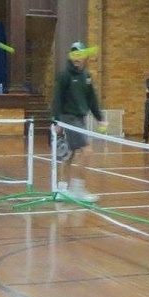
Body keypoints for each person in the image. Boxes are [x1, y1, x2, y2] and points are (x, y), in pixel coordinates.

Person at [52, 41, 107, 202]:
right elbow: (57, 99)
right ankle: (78, 189)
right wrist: (56, 121)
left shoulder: (87, 76)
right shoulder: (64, 76)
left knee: (69, 154)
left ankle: (62, 189)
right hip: (68, 118)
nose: (77, 57)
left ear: (84, 57)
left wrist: (100, 119)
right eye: (74, 54)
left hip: (80, 119)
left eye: (80, 54)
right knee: (87, 151)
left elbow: (92, 100)